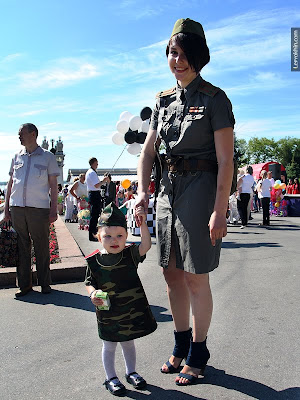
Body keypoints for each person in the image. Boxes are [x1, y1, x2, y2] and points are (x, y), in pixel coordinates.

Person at [135, 18, 234, 386]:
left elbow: (226, 159)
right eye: (172, 53)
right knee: (170, 275)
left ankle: (199, 350)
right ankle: (179, 345)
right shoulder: (162, 101)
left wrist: (220, 211)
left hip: (200, 192)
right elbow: (147, 153)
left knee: (195, 278)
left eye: (184, 54)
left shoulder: (214, 99)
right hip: (167, 194)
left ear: (199, 57)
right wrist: (144, 190)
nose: (177, 60)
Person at [85, 202, 157, 396]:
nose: (114, 240)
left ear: (126, 237)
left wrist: (142, 224)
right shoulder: (94, 260)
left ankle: (131, 372)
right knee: (109, 345)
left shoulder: (130, 255)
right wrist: (92, 293)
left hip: (129, 311)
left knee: (128, 342)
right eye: (107, 236)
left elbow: (146, 245)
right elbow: (89, 282)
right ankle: (110, 377)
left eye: (119, 236)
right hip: (108, 313)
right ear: (99, 237)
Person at [3, 123, 60, 297]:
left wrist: (54, 209)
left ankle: (45, 284)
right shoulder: (16, 156)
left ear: (33, 134)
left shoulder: (47, 157)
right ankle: (24, 286)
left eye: (21, 133)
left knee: (41, 246)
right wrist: (6, 210)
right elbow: (10, 184)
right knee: (21, 246)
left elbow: (53, 185)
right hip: (17, 207)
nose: (19, 136)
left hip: (39, 208)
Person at [85, 158, 108, 242]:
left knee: (95, 215)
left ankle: (93, 234)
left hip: (93, 194)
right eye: (96, 163)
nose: (97, 165)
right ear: (93, 163)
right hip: (94, 194)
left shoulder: (90, 172)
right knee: (94, 215)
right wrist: (104, 181)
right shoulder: (92, 173)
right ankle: (92, 235)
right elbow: (96, 185)